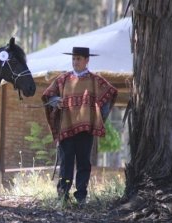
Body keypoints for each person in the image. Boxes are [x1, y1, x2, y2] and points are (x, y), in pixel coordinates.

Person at [41, 47, 117, 204]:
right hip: (66, 128)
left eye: (79, 59)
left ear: (87, 60)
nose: (75, 62)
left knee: (84, 162)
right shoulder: (63, 79)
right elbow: (48, 95)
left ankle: (81, 196)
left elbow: (110, 94)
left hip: (86, 130)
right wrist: (56, 102)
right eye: (74, 59)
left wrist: (97, 117)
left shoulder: (96, 80)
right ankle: (63, 195)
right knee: (66, 162)